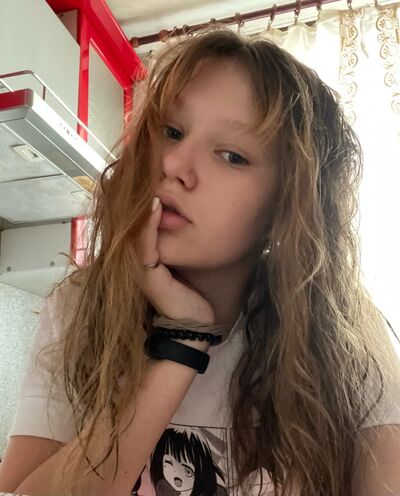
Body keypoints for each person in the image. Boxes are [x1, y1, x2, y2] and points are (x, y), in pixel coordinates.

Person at [0, 24, 399, 496]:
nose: (174, 164)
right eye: (172, 132)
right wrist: (183, 341)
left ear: (288, 205)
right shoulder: (81, 305)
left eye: (231, 156)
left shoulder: (341, 334)